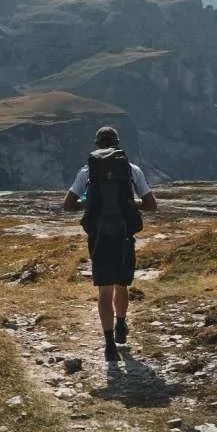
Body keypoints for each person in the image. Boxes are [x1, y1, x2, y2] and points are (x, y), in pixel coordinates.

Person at [61, 126, 158, 361]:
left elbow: (68, 205)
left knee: (105, 290)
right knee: (121, 284)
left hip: (99, 237)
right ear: (117, 143)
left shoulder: (86, 171)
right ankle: (121, 324)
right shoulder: (132, 169)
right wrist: (129, 203)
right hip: (124, 235)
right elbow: (151, 205)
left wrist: (91, 203)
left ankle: (109, 346)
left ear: (97, 145)